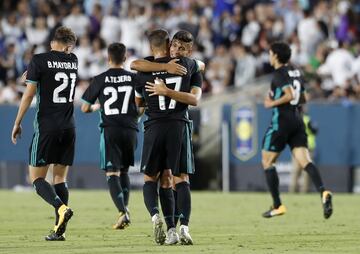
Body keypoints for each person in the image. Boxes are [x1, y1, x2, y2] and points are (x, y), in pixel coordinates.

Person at [131, 30, 203, 245]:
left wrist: (164, 91)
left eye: (182, 48)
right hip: (178, 126)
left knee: (155, 178)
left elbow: (138, 102)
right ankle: (180, 228)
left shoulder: (145, 70)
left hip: (154, 127)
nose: (177, 50)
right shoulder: (190, 66)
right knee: (179, 178)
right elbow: (194, 98)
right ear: (170, 43)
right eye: (175, 46)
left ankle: (160, 220)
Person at [11, 26, 78, 241]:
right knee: (60, 178)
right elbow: (54, 72)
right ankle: (60, 230)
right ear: (69, 45)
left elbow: (29, 95)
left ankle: (60, 208)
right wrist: (32, 74)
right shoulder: (73, 60)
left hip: (47, 127)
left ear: (52, 42)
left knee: (37, 179)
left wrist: (17, 122)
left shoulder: (38, 60)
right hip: (69, 127)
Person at [261, 41, 333, 219]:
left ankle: (277, 205)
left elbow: (290, 94)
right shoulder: (296, 71)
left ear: (276, 55)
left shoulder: (278, 74)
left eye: (270, 53)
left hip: (281, 121)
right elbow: (304, 97)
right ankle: (323, 192)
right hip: (297, 120)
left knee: (267, 162)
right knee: (305, 161)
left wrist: (272, 103)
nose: (269, 56)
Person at [80, 42, 139, 229]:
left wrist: (99, 106)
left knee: (112, 172)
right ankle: (125, 209)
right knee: (124, 171)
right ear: (125, 58)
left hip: (110, 129)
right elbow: (142, 106)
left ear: (108, 58)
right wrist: (134, 117)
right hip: (130, 129)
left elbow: (85, 107)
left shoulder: (100, 79)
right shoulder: (133, 78)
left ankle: (123, 212)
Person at [289, 106, 318, 193]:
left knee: (295, 171)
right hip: (307, 148)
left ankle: (293, 191)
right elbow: (314, 130)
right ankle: (304, 191)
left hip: (296, 148)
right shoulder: (306, 119)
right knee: (306, 171)